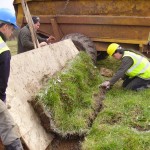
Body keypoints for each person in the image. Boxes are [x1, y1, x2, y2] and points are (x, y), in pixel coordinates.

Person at [0, 8, 24, 149]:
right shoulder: (3, 50)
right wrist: (2, 101)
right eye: (10, 28)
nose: (12, 32)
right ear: (3, 27)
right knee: (9, 130)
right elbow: (2, 84)